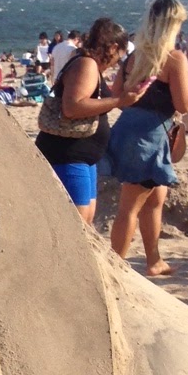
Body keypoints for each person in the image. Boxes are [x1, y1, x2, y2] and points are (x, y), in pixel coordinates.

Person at [107, 0, 188, 277]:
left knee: (155, 199)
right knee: (129, 207)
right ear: (172, 26)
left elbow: (118, 98)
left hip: (126, 129)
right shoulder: (173, 58)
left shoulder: (134, 57)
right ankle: (114, 270)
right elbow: (183, 105)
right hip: (149, 138)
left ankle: (153, 261)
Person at [34, 17, 134, 224]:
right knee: (76, 224)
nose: (118, 61)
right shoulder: (86, 64)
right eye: (120, 56)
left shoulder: (89, 64)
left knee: (85, 222)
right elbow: (72, 107)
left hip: (82, 156)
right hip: (68, 154)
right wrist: (117, 101)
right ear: (114, 47)